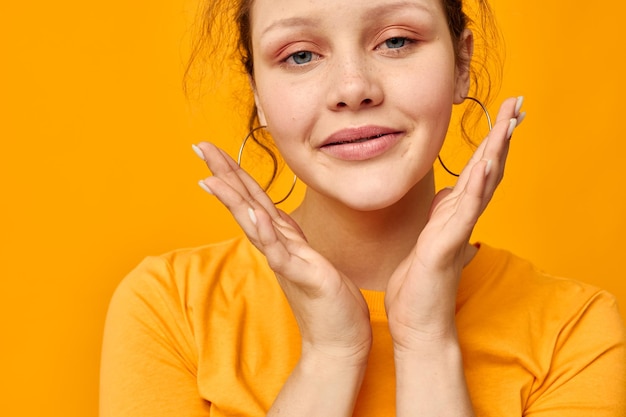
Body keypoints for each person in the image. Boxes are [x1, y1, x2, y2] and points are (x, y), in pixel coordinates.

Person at [99, 0, 626, 415]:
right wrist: (330, 356)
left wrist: (424, 343)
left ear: (462, 62)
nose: (353, 89)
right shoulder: (173, 308)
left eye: (396, 41)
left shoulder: (573, 332)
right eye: (300, 55)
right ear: (257, 91)